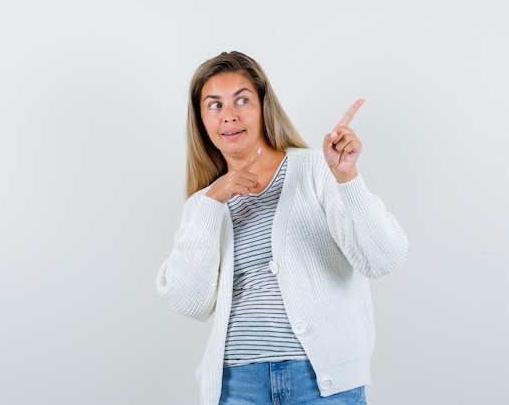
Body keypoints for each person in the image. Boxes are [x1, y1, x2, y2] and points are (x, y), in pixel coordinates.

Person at [156, 51, 408, 405]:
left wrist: (347, 177)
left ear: (263, 107)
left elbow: (382, 258)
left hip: (322, 383)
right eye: (214, 105)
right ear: (201, 119)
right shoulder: (203, 205)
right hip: (237, 385)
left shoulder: (317, 170)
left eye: (242, 100)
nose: (229, 115)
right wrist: (213, 203)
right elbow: (189, 302)